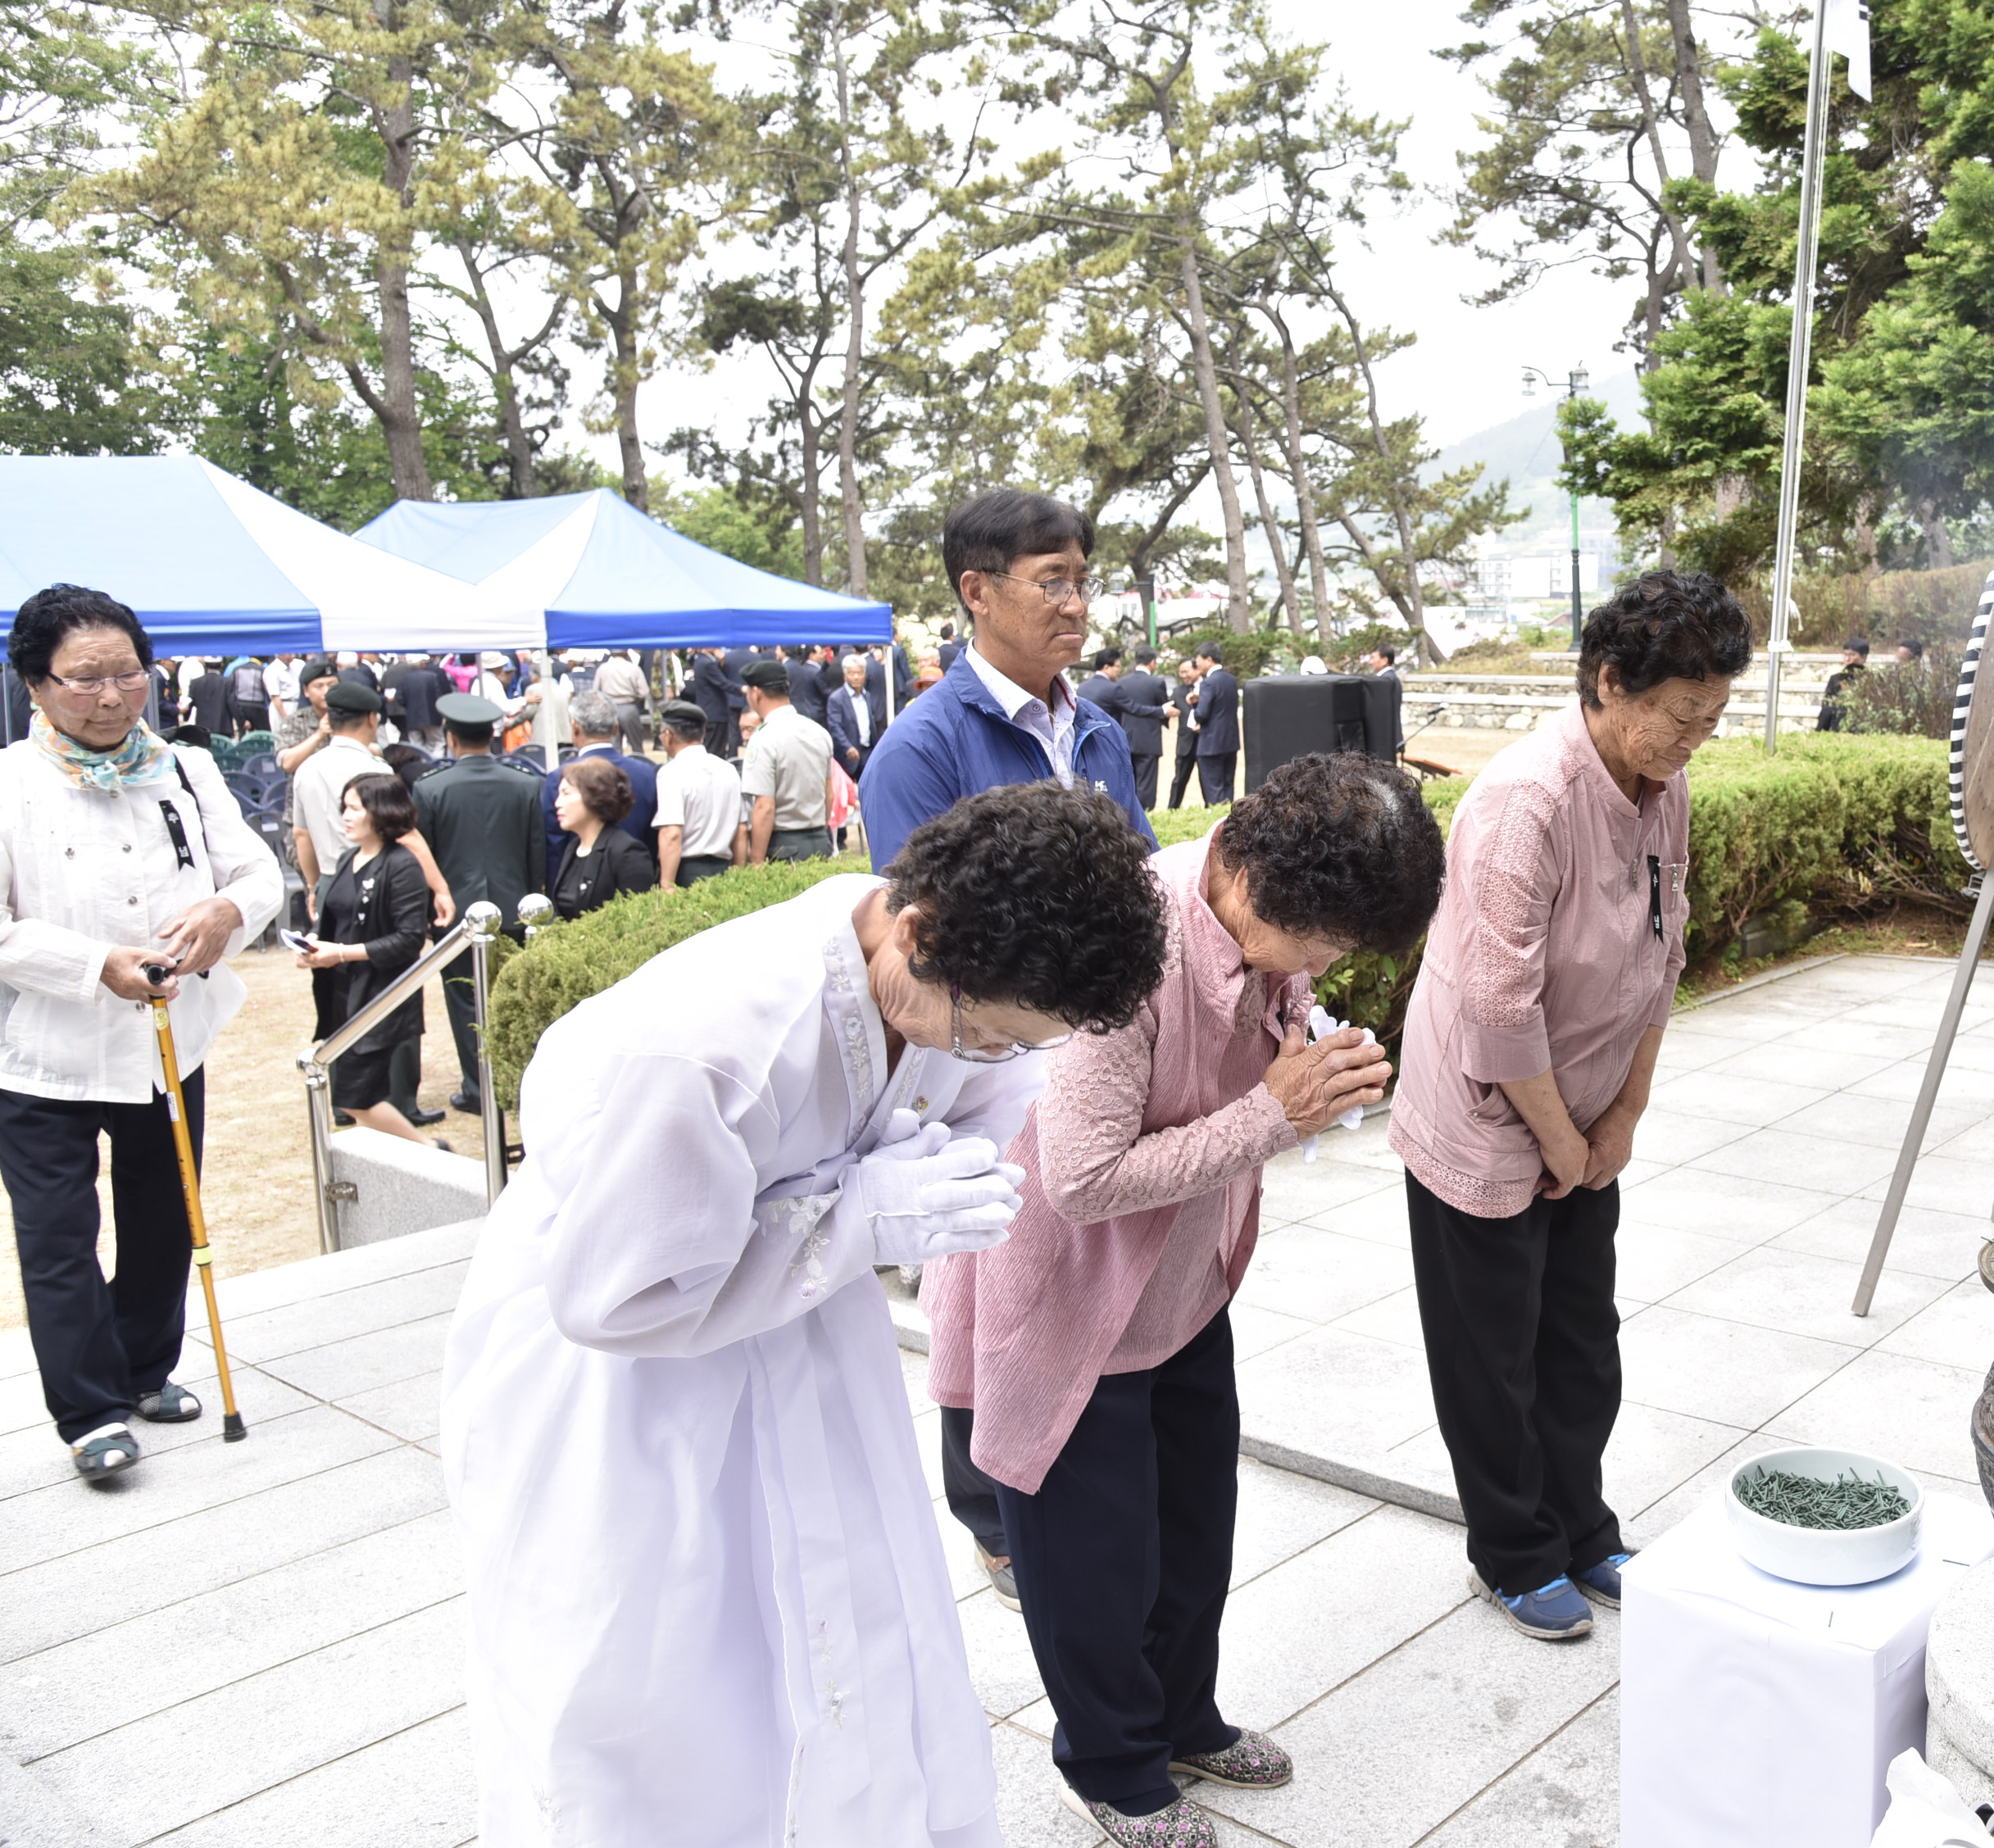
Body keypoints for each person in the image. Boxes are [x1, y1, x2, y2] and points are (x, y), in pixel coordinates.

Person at [443, 784, 1171, 1848]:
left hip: (801, 1324)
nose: (986, 1056)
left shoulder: (956, 978)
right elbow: (618, 1298)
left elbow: (975, 1111)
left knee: (856, 1628)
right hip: (631, 1376)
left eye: (1018, 1042)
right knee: (663, 1666)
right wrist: (855, 1218)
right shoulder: (712, 1045)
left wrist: (918, 1195)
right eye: (984, 1034)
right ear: (912, 928)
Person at [927, 756, 1442, 1846]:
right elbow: (1079, 1178)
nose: (1327, 965)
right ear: (1253, 888)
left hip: (1181, 1286)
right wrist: (1272, 1113)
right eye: (1330, 946)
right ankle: (1110, 1763)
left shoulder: (1256, 924)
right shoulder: (1137, 946)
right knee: (1091, 1557)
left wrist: (1311, 1062)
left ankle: (1182, 1717)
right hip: (1071, 1299)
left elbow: (1259, 1051)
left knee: (1193, 1530)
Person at [1394, 570, 1748, 1641]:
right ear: (1608, 683)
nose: (1695, 738)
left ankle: (1584, 1527)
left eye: (1714, 718)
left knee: (1580, 1339)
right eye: (1682, 715)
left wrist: (1621, 1122)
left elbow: (1662, 948)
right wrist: (1560, 1141)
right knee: (1491, 1350)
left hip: (1586, 1115)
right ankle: (1510, 1552)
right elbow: (1501, 1009)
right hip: (1488, 1116)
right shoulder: (1524, 801)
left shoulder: (1661, 786)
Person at [0, 584, 284, 1479]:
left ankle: (146, 1365)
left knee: (166, 1216)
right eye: (85, 680)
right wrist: (94, 964)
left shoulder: (187, 769)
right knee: (57, 1237)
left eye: (128, 673)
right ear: (36, 684)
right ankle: (88, 1410)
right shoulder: (8, 784)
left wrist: (227, 909)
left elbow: (257, 869)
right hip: (44, 1051)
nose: (113, 696)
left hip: (170, 1036)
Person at [860, 488, 1151, 867]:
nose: (1077, 605)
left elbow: (1149, 878)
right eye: (1054, 583)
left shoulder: (1100, 732)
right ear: (977, 592)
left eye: (1082, 584)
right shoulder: (920, 752)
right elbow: (918, 918)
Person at [416, 692, 555, 1115]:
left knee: (465, 1002)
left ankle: (479, 1088)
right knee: (516, 997)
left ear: (451, 738)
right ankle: (519, 1081)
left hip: (457, 913)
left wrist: (428, 914)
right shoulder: (527, 783)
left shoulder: (429, 788)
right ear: (493, 736)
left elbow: (427, 858)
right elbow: (537, 854)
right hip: (517, 907)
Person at [295, 770, 444, 1146]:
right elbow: (336, 920)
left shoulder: (402, 864)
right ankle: (412, 1155)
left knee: (354, 1097)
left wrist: (342, 953)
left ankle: (432, 1150)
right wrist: (314, 945)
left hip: (381, 996)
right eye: (343, 807)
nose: (345, 816)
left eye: (354, 808)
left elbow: (409, 940)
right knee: (355, 1095)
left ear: (380, 811)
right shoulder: (349, 858)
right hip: (344, 993)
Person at [290, 680, 400, 1021]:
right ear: (371, 719)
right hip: (377, 881)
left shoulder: (307, 767)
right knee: (385, 982)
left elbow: (301, 835)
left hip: (329, 881)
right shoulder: (378, 771)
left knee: (333, 984)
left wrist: (313, 885)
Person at [537, 700, 661, 874]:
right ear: (616, 729)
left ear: (575, 728)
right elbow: (654, 834)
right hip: (638, 876)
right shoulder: (647, 773)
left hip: (577, 882)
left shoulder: (559, 777)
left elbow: (554, 843)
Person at [742, 657, 838, 861]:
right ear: (787, 687)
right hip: (820, 840)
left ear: (756, 692)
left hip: (784, 846)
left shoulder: (763, 738)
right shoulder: (818, 731)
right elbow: (828, 793)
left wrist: (757, 861)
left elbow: (764, 806)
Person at [546, 758, 660, 919]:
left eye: (566, 793)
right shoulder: (574, 848)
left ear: (594, 796)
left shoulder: (628, 852)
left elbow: (638, 920)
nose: (557, 803)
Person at [652, 702, 745, 888]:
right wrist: (740, 875)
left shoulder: (671, 772)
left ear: (668, 735)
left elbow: (671, 833)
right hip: (724, 870)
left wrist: (666, 884)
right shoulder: (727, 769)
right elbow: (741, 829)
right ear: (703, 733)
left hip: (687, 871)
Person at [1113, 647, 1170, 810]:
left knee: (1129, 781)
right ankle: (1146, 814)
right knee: (1147, 784)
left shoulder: (1122, 682)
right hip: (1149, 740)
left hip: (1126, 738)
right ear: (1152, 662)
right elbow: (1163, 708)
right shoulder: (1157, 683)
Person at [826, 652, 891, 779]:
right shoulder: (837, 699)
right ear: (845, 676)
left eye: (859, 673)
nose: (856, 677)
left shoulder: (867, 696)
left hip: (867, 751)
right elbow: (835, 727)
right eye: (851, 673)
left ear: (864, 675)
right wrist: (848, 747)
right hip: (848, 754)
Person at [1191, 644, 1240, 806]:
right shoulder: (1231, 680)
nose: (1197, 664)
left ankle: (1218, 825)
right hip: (1230, 741)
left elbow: (1202, 714)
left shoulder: (1208, 683)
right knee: (1228, 787)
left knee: (1214, 791)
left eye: (1199, 660)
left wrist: (1194, 708)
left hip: (1211, 743)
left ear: (1209, 660)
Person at [383, 652, 452, 755]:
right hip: (432, 716)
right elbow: (439, 696)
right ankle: (436, 767)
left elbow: (400, 699)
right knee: (437, 742)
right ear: (422, 664)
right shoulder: (432, 677)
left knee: (416, 745)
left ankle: (422, 765)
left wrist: (410, 708)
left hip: (413, 717)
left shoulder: (405, 679)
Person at [593, 648, 654, 755]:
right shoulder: (634, 668)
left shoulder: (603, 669)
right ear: (626, 653)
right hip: (629, 707)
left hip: (609, 708)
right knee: (636, 746)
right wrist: (635, 697)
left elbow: (596, 692)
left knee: (614, 747)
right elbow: (644, 692)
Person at [1166, 654, 1203, 810]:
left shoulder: (1208, 687)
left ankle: (1213, 808)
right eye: (1181, 672)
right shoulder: (1177, 691)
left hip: (1205, 742)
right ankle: (1172, 809)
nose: (1183, 675)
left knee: (1207, 781)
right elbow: (1167, 708)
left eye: (1186, 671)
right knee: (1179, 780)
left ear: (1197, 670)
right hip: (1185, 743)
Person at [1817, 638, 1870, 732]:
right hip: (1838, 726)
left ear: (1863, 657)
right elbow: (1827, 707)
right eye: (1845, 655)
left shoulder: (1871, 680)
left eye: (1852, 655)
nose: (1847, 659)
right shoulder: (1835, 679)